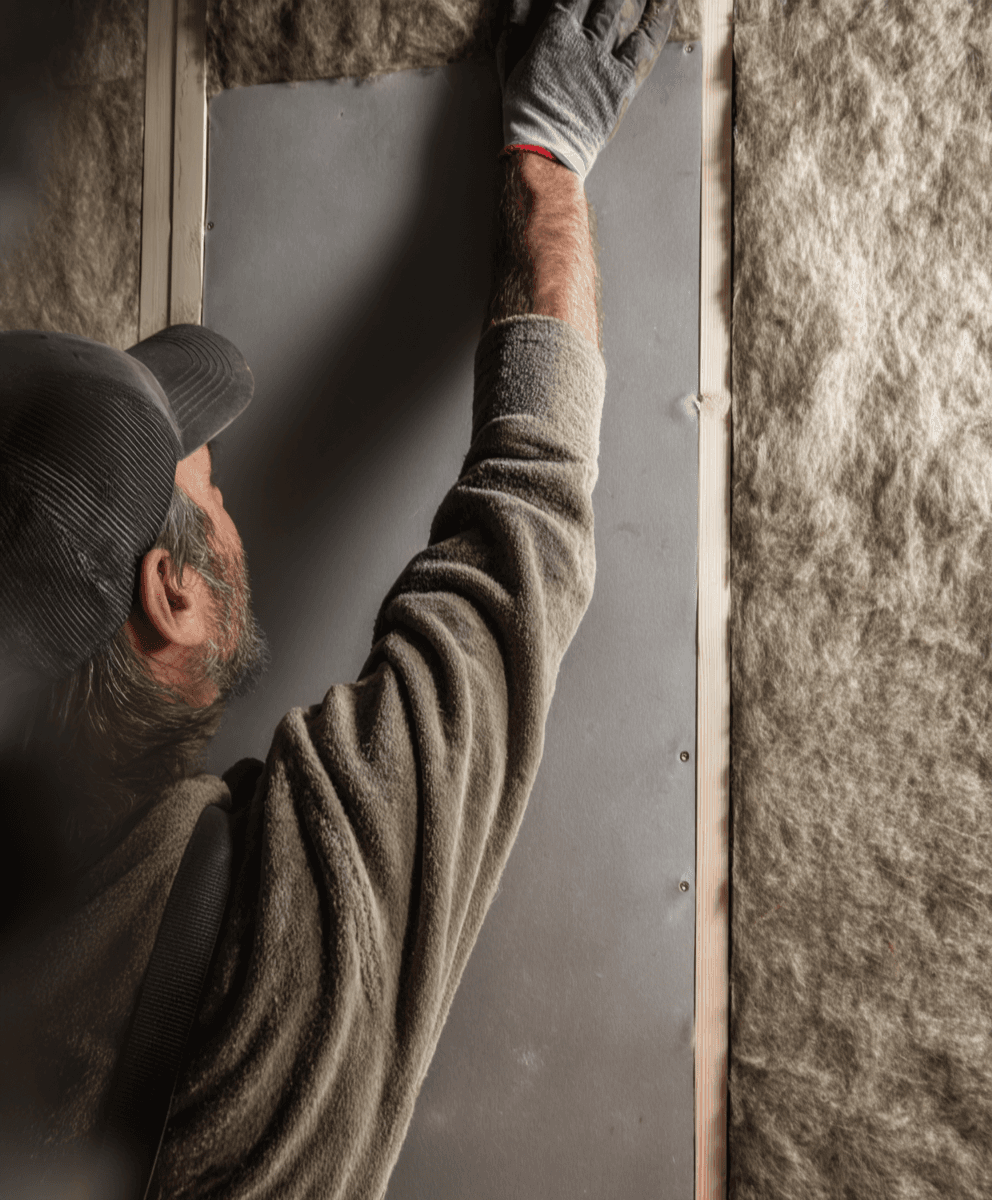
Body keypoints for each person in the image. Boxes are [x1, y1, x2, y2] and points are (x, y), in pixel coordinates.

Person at [0, 0, 677, 1195]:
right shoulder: (264, 944)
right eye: (207, 491)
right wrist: (545, 161)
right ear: (174, 600)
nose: (230, 503)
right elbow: (520, 530)